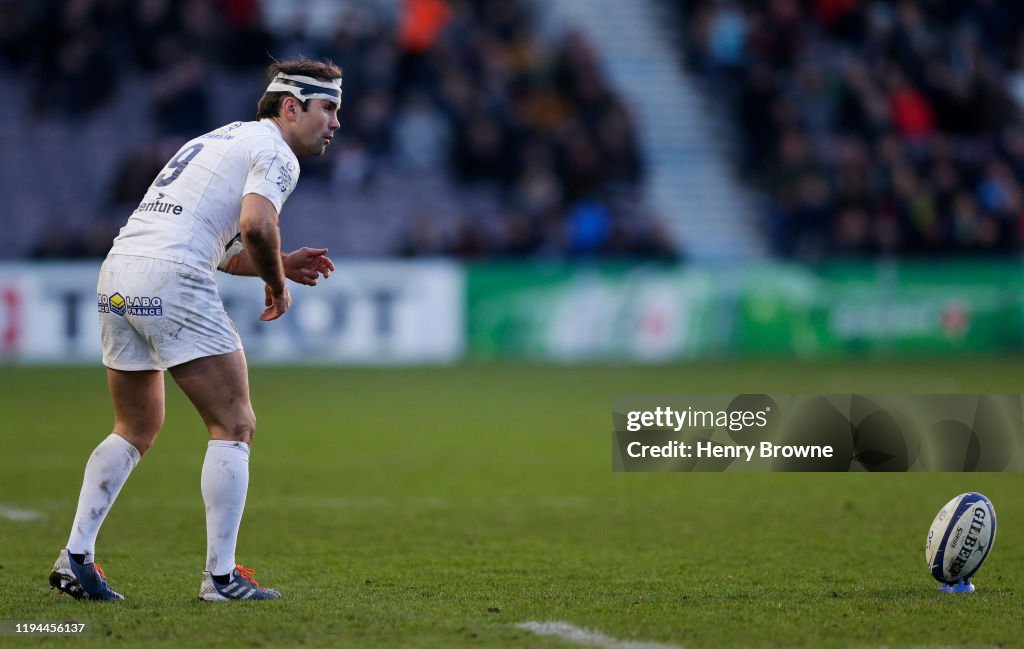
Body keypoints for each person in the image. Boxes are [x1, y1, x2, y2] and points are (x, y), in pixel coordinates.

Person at [48, 57, 342, 602]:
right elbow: (256, 225)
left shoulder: (220, 138)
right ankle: (222, 579)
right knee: (235, 423)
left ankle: (76, 557)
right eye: (328, 107)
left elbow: (229, 250)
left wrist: (279, 260)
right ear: (291, 106)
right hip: (172, 276)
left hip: (119, 271)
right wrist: (278, 285)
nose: (335, 122)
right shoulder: (276, 153)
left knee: (134, 427)